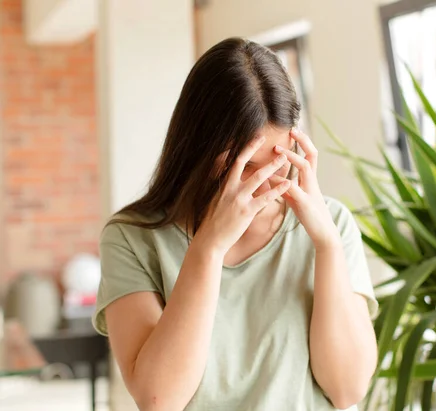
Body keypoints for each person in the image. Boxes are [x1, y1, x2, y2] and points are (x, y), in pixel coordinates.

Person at [93, 37, 378, 411]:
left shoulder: (332, 224)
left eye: (277, 161)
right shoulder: (132, 238)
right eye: (245, 166)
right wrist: (209, 249)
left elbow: (347, 390)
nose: (263, 183)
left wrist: (327, 246)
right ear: (198, 147)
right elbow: (158, 399)